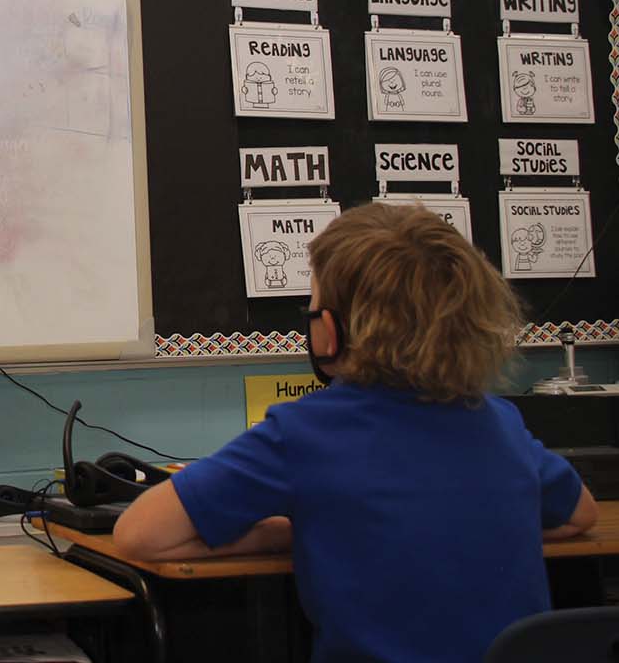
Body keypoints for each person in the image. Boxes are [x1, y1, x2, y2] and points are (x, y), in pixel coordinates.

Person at [111, 203, 597, 663]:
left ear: (332, 329)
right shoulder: (499, 421)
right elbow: (580, 514)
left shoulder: (302, 432)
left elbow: (138, 535)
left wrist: (288, 532)